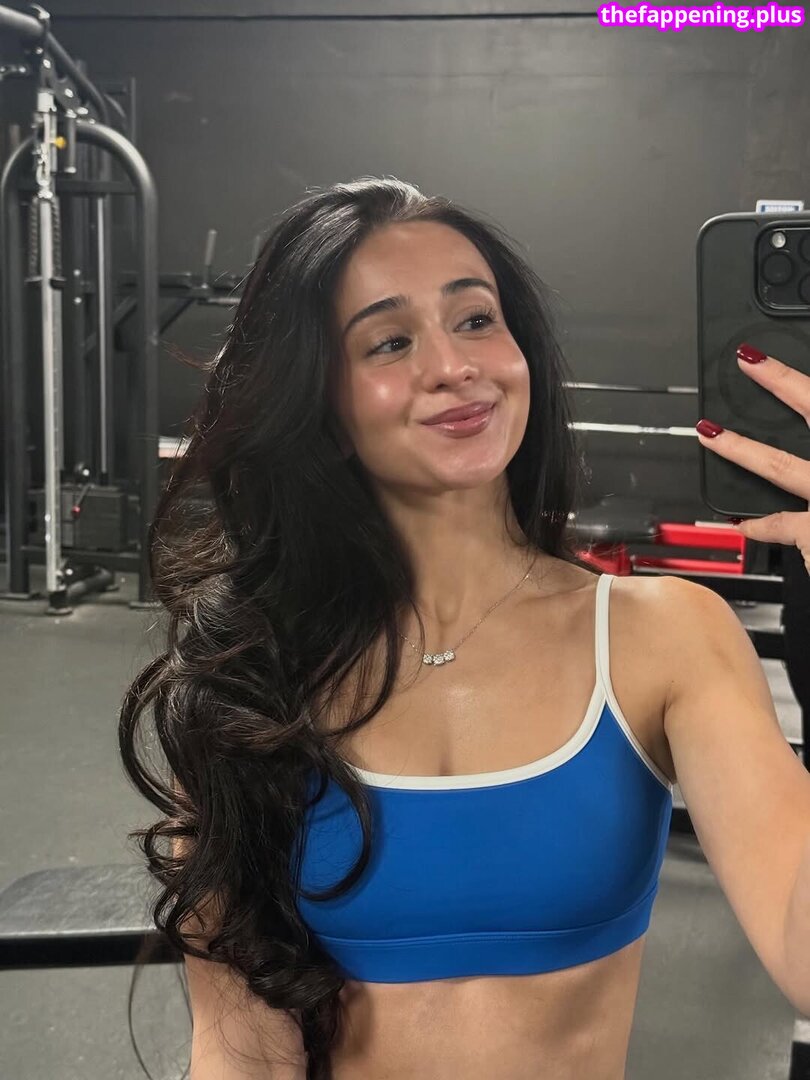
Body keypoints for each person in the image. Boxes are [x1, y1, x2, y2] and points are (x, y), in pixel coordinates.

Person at [119, 177, 810, 1080]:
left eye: (476, 319)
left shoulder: (661, 638)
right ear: (318, 401)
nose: (453, 365)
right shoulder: (249, 676)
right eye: (390, 341)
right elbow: (240, 1054)